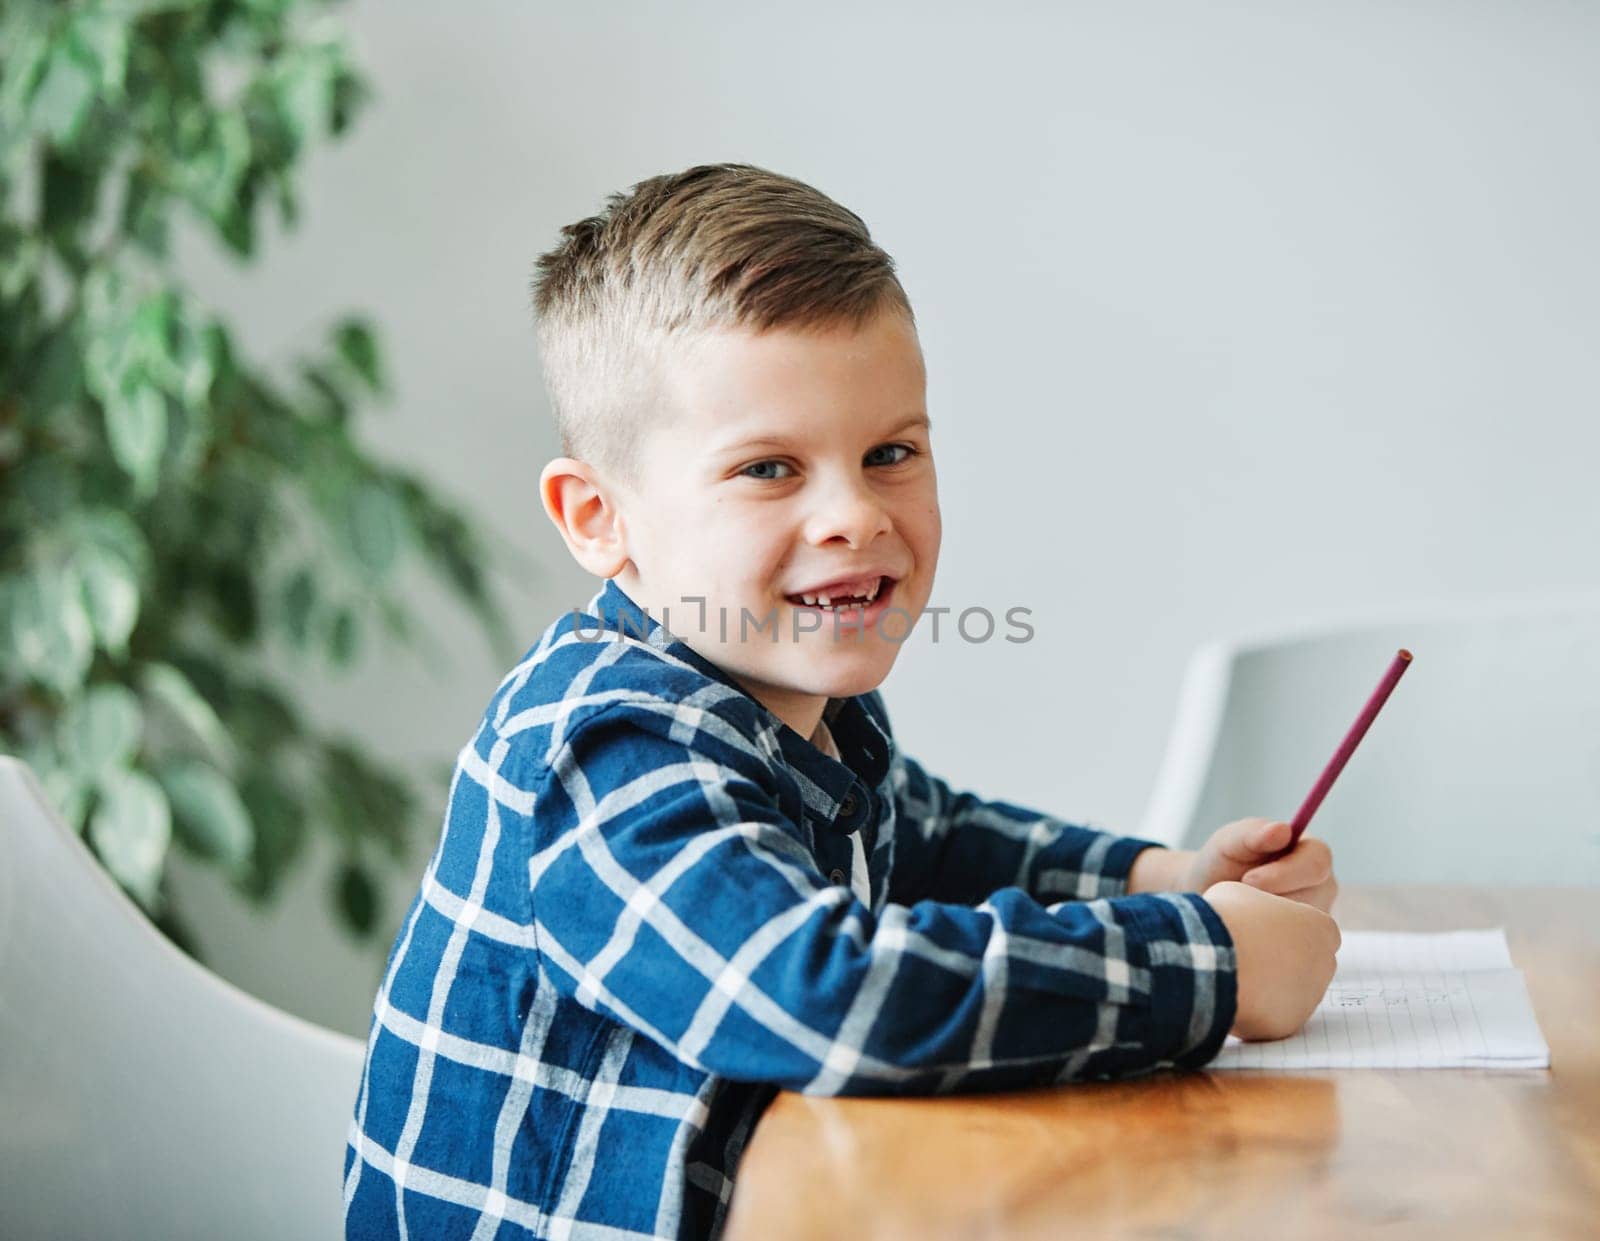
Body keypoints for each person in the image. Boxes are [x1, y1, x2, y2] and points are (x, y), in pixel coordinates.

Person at [342, 163, 1340, 1241]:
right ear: (598, 517)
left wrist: (1164, 873)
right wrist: (1205, 962)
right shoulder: (610, 747)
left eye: (890, 453)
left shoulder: (787, 697)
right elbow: (828, 994)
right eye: (769, 469)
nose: (854, 516)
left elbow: (934, 836)